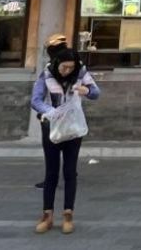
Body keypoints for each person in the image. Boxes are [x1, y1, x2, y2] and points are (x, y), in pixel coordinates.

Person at [31, 45, 100, 234]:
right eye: (64, 67)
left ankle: (68, 215)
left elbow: (96, 93)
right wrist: (50, 111)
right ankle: (47, 215)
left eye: (71, 67)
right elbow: (36, 100)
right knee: (51, 172)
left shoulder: (81, 73)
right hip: (51, 127)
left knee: (70, 171)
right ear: (57, 64)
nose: (67, 71)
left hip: (73, 127)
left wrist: (86, 91)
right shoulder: (47, 74)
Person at [33, 34, 70, 190]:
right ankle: (70, 176)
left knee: (51, 152)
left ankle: (51, 181)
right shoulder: (77, 68)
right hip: (71, 115)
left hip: (52, 116)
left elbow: (36, 99)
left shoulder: (49, 70)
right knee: (69, 150)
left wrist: (48, 111)